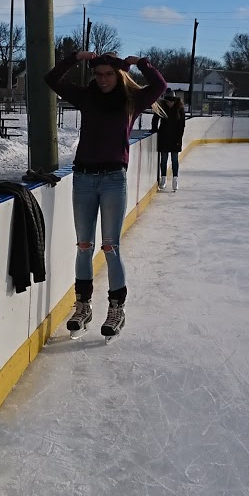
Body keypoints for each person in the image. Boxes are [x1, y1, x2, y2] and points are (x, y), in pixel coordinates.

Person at [45, 50, 166, 336]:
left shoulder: (131, 100)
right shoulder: (86, 97)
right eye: (98, 74)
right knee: (84, 246)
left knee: (110, 247)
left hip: (113, 179)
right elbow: (52, 79)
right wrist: (75, 57)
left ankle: (116, 309)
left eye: (108, 74)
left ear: (120, 75)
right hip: (84, 178)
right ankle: (83, 305)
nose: (102, 79)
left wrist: (143, 64)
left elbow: (160, 86)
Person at [153, 89, 186, 192]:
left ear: (175, 101)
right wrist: (154, 130)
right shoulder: (162, 108)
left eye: (171, 101)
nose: (169, 103)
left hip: (175, 138)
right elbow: (155, 119)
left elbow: (182, 125)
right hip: (164, 137)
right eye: (168, 101)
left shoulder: (179, 109)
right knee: (163, 159)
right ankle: (163, 179)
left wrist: (179, 138)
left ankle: (175, 179)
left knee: (174, 159)